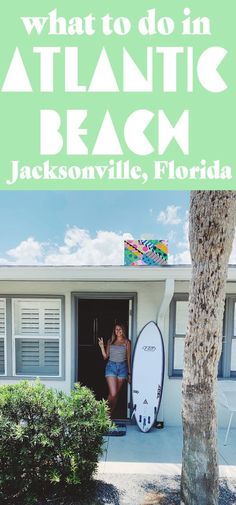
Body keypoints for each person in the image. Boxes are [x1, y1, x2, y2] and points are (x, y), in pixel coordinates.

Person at [98, 323, 131, 416]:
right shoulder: (110, 341)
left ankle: (109, 416)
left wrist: (129, 373)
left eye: (120, 329)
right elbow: (105, 357)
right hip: (111, 367)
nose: (118, 331)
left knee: (116, 394)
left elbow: (128, 359)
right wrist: (101, 346)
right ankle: (103, 414)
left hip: (123, 368)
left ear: (123, 330)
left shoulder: (127, 342)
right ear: (114, 331)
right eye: (116, 329)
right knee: (113, 393)